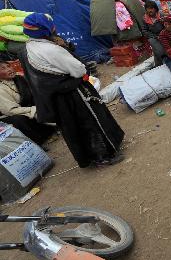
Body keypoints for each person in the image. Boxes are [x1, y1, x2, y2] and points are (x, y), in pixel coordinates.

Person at [20, 13, 124, 168]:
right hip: (73, 94)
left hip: (55, 98)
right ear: (46, 30)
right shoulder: (51, 50)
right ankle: (103, 155)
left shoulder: (25, 49)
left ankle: (87, 157)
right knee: (90, 122)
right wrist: (65, 50)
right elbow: (79, 70)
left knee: (72, 129)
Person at [0, 62, 55, 146]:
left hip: (26, 107)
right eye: (3, 68)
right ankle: (37, 143)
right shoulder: (1, 89)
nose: (9, 69)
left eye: (8, 66)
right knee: (19, 119)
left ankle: (54, 128)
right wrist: (32, 109)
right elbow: (10, 110)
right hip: (12, 114)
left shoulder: (19, 78)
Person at [141, 0, 165, 66]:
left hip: (164, 35)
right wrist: (154, 36)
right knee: (159, 50)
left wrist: (162, 35)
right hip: (152, 37)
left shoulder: (161, 15)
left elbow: (167, 26)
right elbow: (144, 31)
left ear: (155, 8)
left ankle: (159, 64)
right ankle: (160, 64)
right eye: (147, 9)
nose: (149, 11)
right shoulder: (145, 19)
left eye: (151, 8)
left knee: (160, 50)